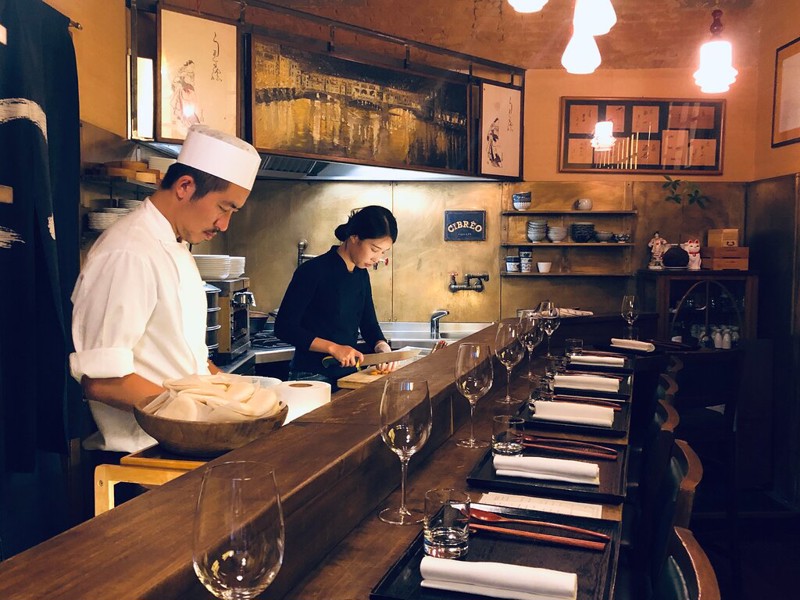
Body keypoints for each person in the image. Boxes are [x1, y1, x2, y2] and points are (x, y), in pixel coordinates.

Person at [69, 125, 261, 453]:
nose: (223, 224)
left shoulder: (176, 245)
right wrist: (197, 415)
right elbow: (103, 380)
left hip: (182, 447)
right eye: (223, 208)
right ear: (185, 186)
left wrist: (238, 397)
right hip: (141, 454)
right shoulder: (128, 251)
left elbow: (190, 361)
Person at [275, 206, 398, 389]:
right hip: (311, 376)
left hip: (349, 376)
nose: (376, 258)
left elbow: (369, 324)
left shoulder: (361, 274)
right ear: (354, 237)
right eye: (374, 249)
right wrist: (333, 348)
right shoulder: (313, 271)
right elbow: (284, 328)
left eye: (383, 252)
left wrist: (381, 347)